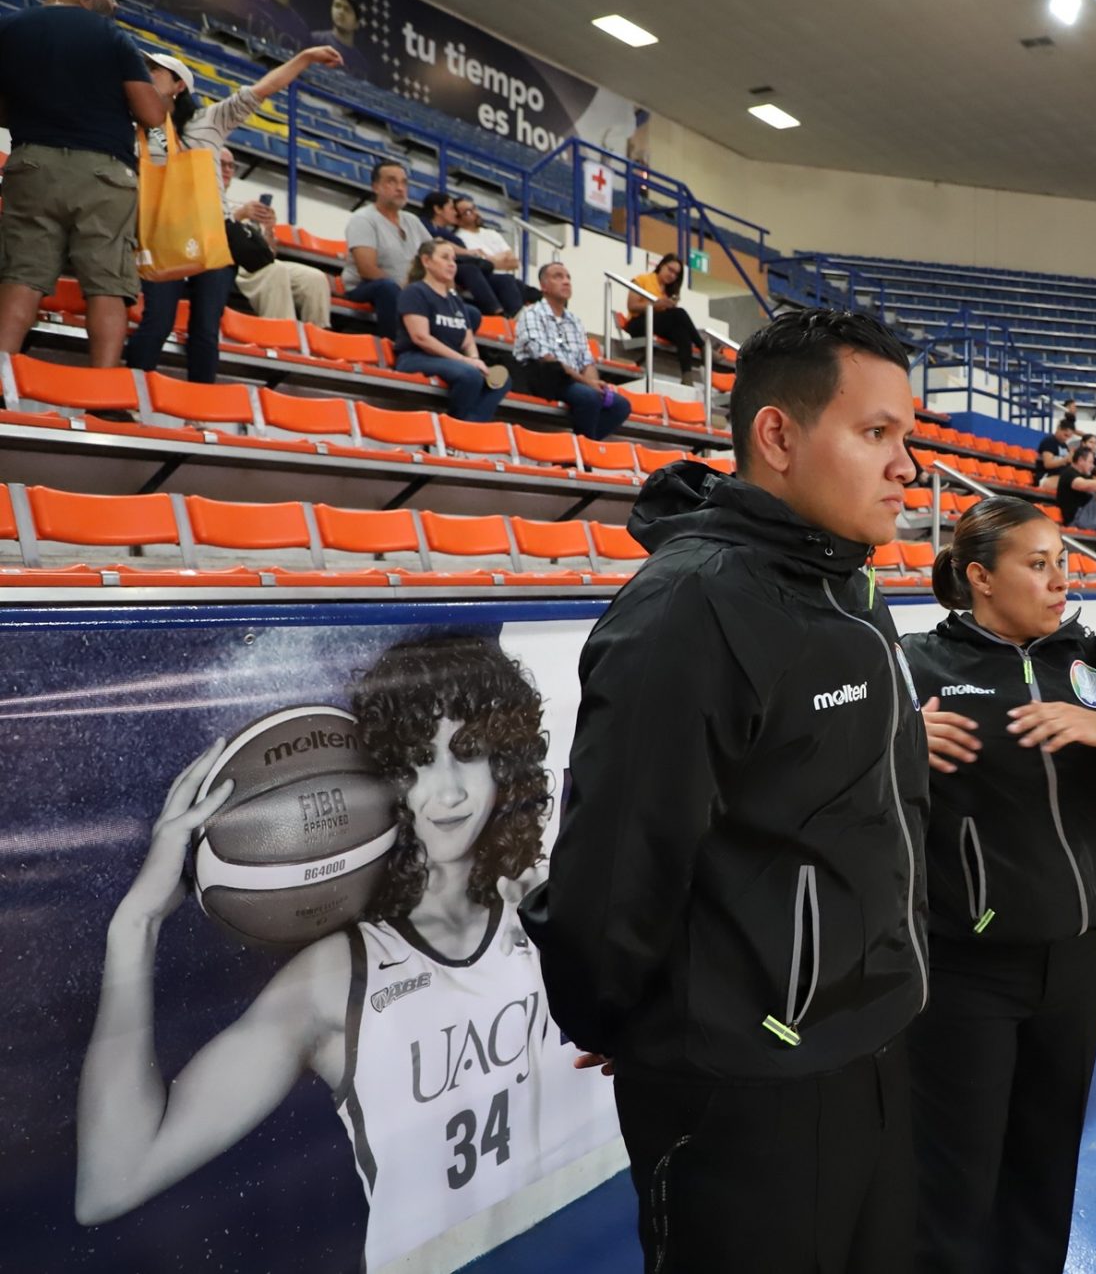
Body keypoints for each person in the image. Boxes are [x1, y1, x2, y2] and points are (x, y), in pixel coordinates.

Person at [520, 309, 930, 1274]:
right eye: (877, 433)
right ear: (777, 436)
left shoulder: (848, 589)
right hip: (747, 1084)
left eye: (906, 436)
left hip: (873, 1039)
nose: (907, 467)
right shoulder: (692, 605)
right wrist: (634, 1018)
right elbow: (618, 862)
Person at [74, 636, 613, 1272]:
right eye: (418, 761)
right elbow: (113, 1181)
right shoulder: (340, 977)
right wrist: (134, 925)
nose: (447, 794)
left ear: (506, 761)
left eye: (469, 753)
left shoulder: (554, 907)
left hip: (599, 1240)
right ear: (378, 778)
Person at [903, 497, 1096, 1274]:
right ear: (980, 577)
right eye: (1037, 565)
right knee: (953, 1184)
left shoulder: (1091, 662)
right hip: (962, 971)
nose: (1058, 582)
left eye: (1063, 564)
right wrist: (894, 740)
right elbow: (829, 781)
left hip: (1076, 961)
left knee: (1045, 1171)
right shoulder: (916, 665)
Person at [126, 46, 342, 382]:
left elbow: (263, 89)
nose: (146, 75)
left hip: (214, 237)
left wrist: (305, 58)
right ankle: (127, 393)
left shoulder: (209, 121)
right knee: (157, 322)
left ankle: (199, 403)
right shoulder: (138, 130)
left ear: (179, 85)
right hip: (163, 237)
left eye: (155, 70)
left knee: (205, 331)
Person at [0, 0, 166, 368]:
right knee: (106, 283)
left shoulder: (9, 28)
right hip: (102, 172)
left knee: (21, 276)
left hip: (33, 164)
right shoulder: (111, 35)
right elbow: (151, 114)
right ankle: (102, 389)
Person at [393, 239, 508, 422]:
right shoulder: (415, 292)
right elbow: (421, 337)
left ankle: (471, 425)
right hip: (415, 357)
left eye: (454, 260)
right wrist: (465, 360)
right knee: (470, 375)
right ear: (426, 261)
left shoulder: (455, 300)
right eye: (445, 258)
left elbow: (468, 340)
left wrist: (475, 359)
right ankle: (456, 425)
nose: (452, 264)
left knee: (501, 381)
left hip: (449, 360)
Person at [515, 261, 630, 439]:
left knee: (621, 405)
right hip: (542, 376)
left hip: (572, 381)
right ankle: (583, 452)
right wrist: (587, 383)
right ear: (544, 286)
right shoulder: (532, 313)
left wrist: (594, 383)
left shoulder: (574, 321)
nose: (566, 281)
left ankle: (578, 448)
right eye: (558, 277)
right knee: (589, 397)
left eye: (568, 277)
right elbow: (546, 358)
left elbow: (586, 360)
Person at [220, 148, 332, 326]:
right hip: (232, 263)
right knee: (276, 271)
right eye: (222, 164)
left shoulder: (243, 206)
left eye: (231, 166)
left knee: (314, 278)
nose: (227, 170)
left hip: (258, 264)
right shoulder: (209, 199)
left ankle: (320, 337)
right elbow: (210, 233)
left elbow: (269, 254)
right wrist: (240, 215)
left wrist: (269, 229)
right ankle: (283, 334)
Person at [341, 158, 432, 340]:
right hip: (366, 287)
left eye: (404, 183)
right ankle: (396, 345)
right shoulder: (363, 219)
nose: (400, 188)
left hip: (408, 290)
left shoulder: (412, 221)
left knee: (469, 312)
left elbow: (434, 255)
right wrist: (405, 289)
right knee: (388, 288)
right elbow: (367, 269)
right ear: (376, 187)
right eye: (391, 181)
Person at [421, 189, 522, 319]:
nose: (454, 213)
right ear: (438, 209)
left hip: (458, 266)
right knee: (471, 270)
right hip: (445, 267)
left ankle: (516, 317)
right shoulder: (424, 225)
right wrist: (467, 252)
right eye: (451, 208)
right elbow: (436, 242)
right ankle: (496, 312)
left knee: (506, 280)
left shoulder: (450, 234)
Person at [621, 252, 701, 384]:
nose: (672, 275)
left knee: (682, 333)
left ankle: (687, 376)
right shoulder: (642, 279)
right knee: (679, 313)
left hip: (657, 323)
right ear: (661, 265)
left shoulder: (669, 291)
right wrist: (656, 304)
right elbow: (632, 306)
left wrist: (668, 305)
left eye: (676, 274)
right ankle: (702, 345)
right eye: (670, 270)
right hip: (638, 322)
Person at [310, 0, 368, 75]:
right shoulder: (315, 40)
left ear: (356, 24)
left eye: (347, 9)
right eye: (337, 6)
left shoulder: (361, 63)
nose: (341, 12)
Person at [1033, 409, 1079, 488]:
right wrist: (1065, 460)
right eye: (1065, 435)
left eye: (1069, 437)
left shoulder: (1064, 446)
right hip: (1046, 477)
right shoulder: (1049, 441)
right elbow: (1048, 464)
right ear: (1058, 429)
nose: (1066, 438)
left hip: (1060, 476)